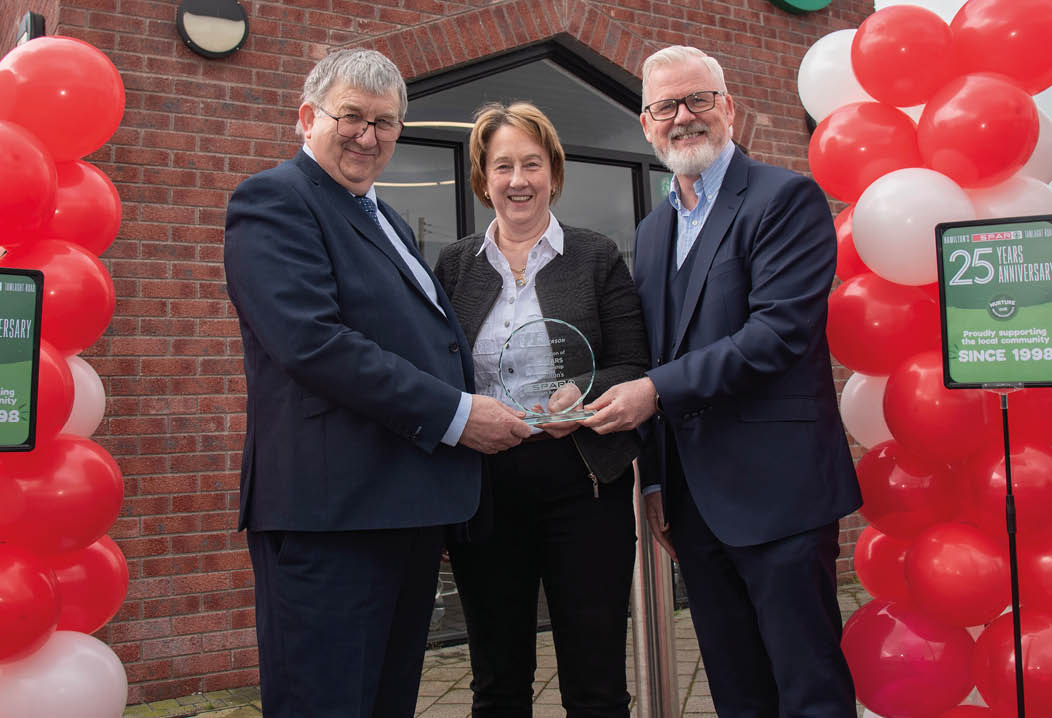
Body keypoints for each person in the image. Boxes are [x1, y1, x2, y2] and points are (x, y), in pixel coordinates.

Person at [223, 49, 532, 717]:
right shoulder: (275, 200)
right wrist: (457, 416)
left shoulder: (382, 216)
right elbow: (314, 344)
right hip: (331, 519)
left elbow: (421, 343)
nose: (368, 136)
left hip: (401, 509)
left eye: (385, 122)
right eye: (351, 117)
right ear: (308, 117)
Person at [583, 46, 863, 717]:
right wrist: (655, 480)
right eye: (665, 107)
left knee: (810, 691)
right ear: (646, 124)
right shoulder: (653, 231)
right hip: (693, 505)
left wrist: (652, 393)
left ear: (727, 107)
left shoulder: (784, 198)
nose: (683, 117)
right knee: (738, 695)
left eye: (698, 99)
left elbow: (777, 335)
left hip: (781, 496)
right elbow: (652, 353)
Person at [433, 101, 650, 717]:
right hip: (487, 490)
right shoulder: (455, 265)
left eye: (532, 163)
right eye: (502, 165)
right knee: (497, 682)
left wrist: (582, 392)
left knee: (596, 683)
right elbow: (437, 373)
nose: (518, 180)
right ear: (483, 178)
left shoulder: (595, 255)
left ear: (553, 172)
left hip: (584, 486)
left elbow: (633, 362)